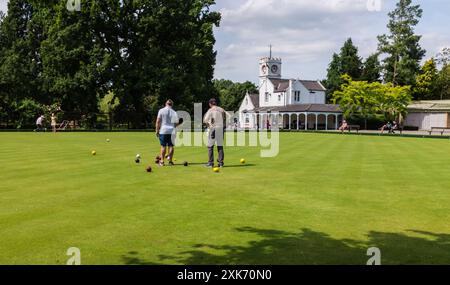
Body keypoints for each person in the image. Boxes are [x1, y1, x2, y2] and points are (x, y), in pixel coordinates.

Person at [155, 100, 182, 167]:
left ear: (165, 104)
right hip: (172, 130)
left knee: (163, 146)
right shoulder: (174, 112)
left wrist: (157, 130)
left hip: (163, 130)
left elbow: (158, 121)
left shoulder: (161, 110)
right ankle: (170, 161)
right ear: (172, 104)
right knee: (171, 146)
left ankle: (162, 161)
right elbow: (176, 124)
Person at [204, 98, 226, 168]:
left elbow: (205, 120)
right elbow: (225, 119)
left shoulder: (210, 110)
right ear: (215, 103)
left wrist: (209, 126)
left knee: (210, 146)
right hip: (220, 128)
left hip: (213, 128)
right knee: (220, 146)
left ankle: (210, 163)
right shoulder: (222, 110)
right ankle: (221, 163)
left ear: (210, 104)